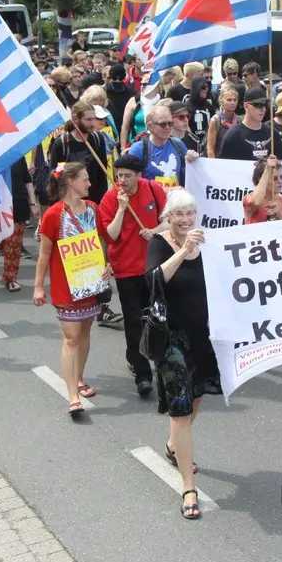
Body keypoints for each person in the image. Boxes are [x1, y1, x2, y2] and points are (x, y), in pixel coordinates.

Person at [144, 189, 222, 519]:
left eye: (190, 213)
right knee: (180, 407)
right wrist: (184, 250)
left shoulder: (208, 243)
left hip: (202, 337)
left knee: (197, 398)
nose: (186, 220)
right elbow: (154, 279)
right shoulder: (159, 243)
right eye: (179, 215)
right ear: (168, 217)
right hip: (172, 341)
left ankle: (175, 443)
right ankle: (188, 486)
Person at [35, 161, 111, 418]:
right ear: (70, 182)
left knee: (86, 332)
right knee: (71, 337)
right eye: (85, 180)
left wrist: (108, 264)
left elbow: (102, 240)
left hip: (90, 284)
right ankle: (72, 396)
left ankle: (79, 379)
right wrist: (38, 287)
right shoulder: (53, 215)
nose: (90, 184)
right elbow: (44, 255)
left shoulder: (93, 208)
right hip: (65, 287)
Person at [100, 154, 169, 397]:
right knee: (133, 322)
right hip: (126, 269)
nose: (122, 181)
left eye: (128, 176)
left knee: (158, 319)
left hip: (153, 267)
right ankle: (142, 373)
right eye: (119, 176)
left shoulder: (154, 190)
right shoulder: (110, 198)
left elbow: (169, 220)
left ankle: (164, 369)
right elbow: (111, 235)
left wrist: (155, 231)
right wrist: (120, 209)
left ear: (139, 175)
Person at [0, 154, 36, 293]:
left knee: (14, 244)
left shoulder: (18, 155)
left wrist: (33, 202)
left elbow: (27, 179)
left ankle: (10, 278)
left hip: (18, 204)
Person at [127, 103, 196, 189]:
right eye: (163, 124)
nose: (167, 127)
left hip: (173, 200)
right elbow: (129, 180)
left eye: (170, 123)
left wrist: (192, 158)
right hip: (149, 201)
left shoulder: (178, 144)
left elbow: (191, 172)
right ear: (150, 126)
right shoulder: (138, 149)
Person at [218, 87, 282, 162]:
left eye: (265, 104)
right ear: (246, 106)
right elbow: (224, 168)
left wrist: (277, 163)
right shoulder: (232, 136)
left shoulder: (273, 134)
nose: (262, 109)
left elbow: (281, 163)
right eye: (258, 105)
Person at [243, 155, 282, 224]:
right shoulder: (248, 198)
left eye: (281, 177)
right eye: (274, 178)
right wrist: (267, 169)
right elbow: (256, 202)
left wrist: (279, 215)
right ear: (261, 179)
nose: (280, 181)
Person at [205, 86, 241, 158]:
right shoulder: (215, 120)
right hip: (219, 161)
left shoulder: (239, 120)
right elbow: (210, 149)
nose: (232, 103)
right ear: (222, 101)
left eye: (235, 100)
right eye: (229, 100)